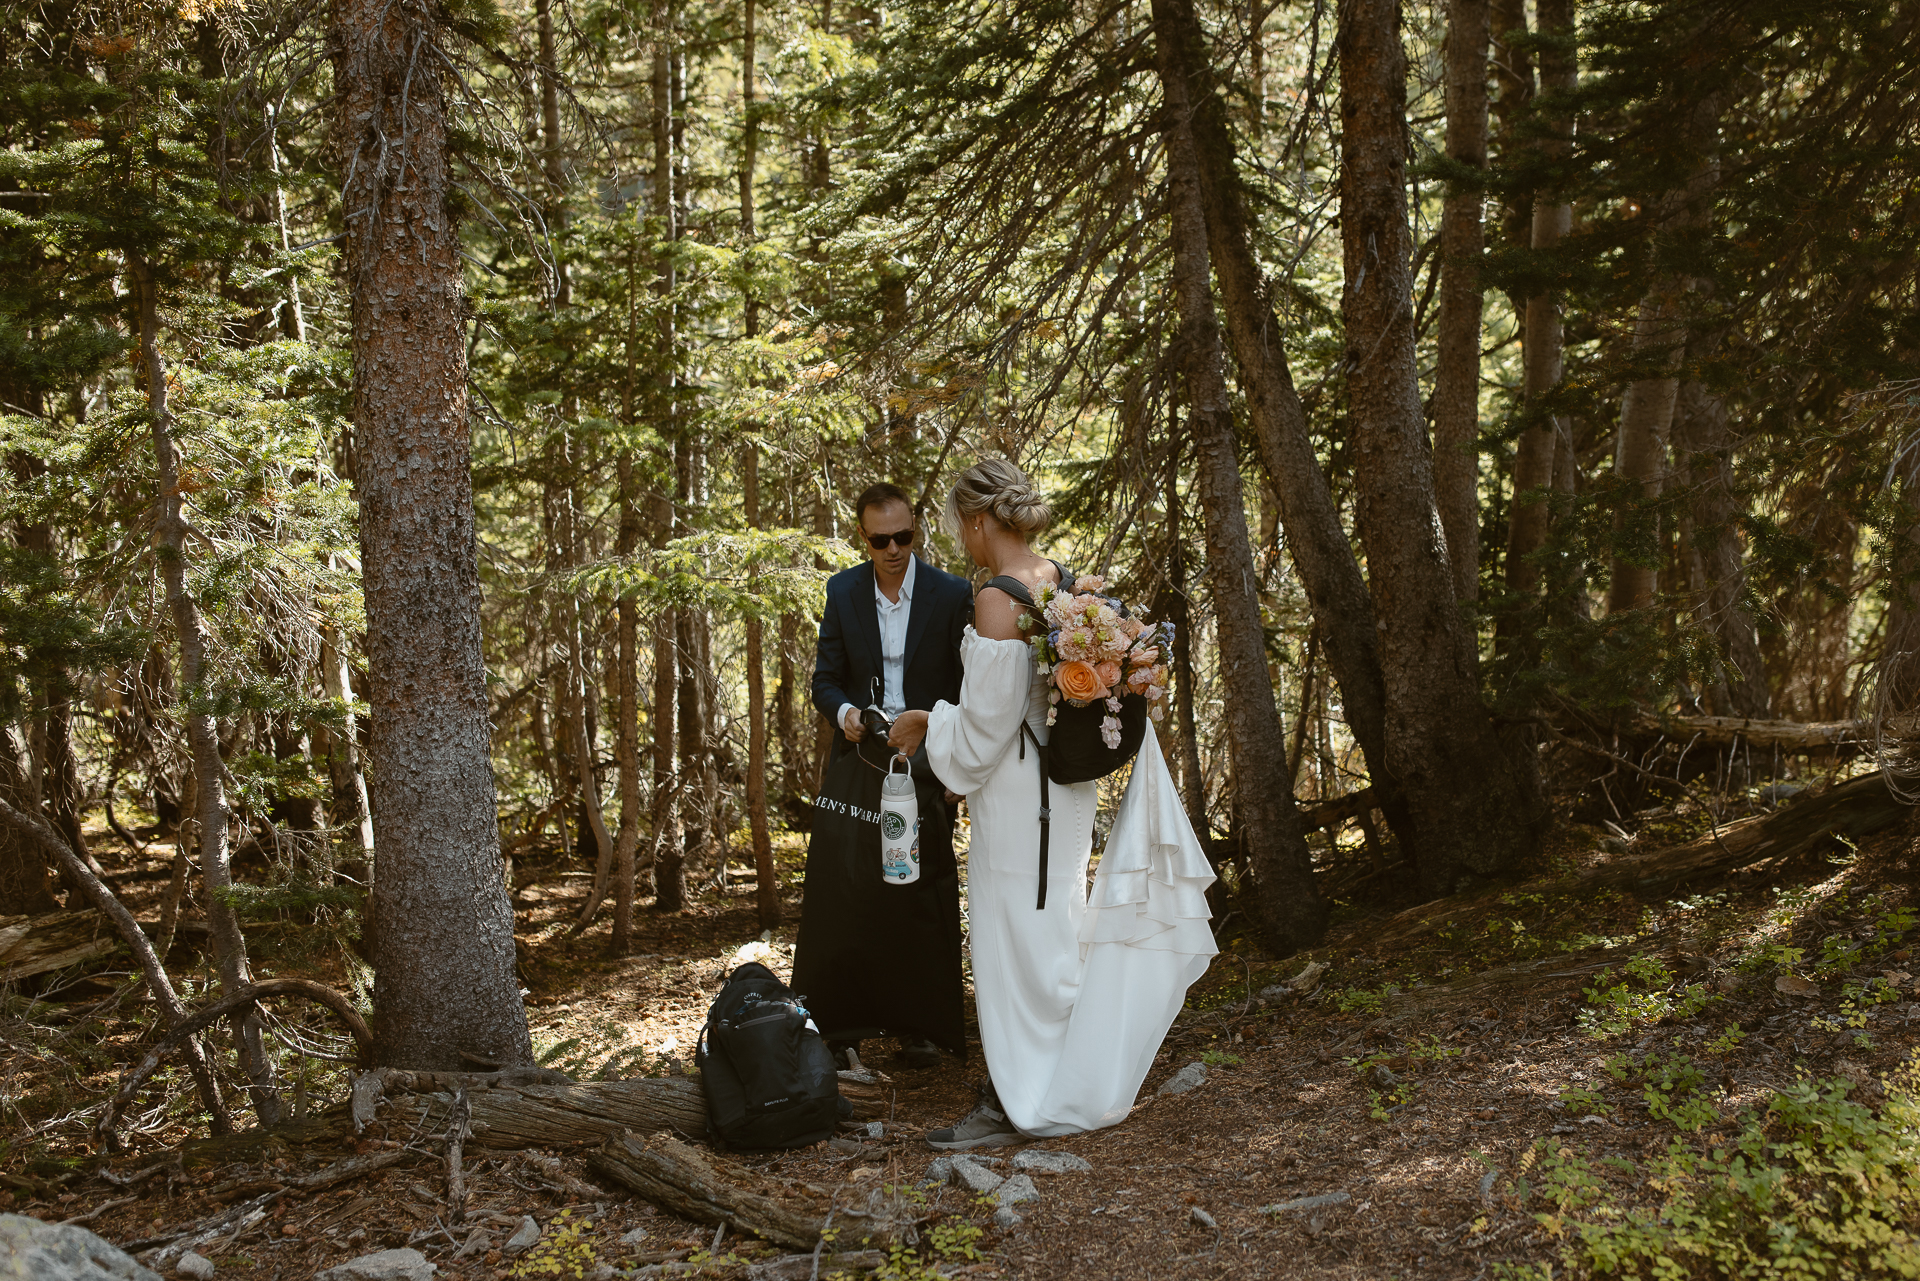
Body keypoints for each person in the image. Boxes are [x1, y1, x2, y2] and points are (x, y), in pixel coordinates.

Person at [886, 459, 1217, 1147]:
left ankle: (1023, 1097)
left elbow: (985, 728)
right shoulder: (1059, 580)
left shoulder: (995, 598)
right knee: (1056, 934)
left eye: (961, 525)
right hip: (1064, 792)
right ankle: (1056, 1078)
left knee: (1016, 944)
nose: (963, 539)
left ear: (979, 521)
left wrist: (927, 722)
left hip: (1017, 799)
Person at [792, 482, 973, 1070]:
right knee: (843, 888)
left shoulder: (951, 593)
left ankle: (922, 1027)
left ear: (915, 529)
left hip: (924, 760)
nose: (894, 549)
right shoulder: (842, 591)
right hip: (859, 761)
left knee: (921, 888)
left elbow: (966, 686)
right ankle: (840, 1024)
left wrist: (956, 767)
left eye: (904, 536)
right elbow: (826, 678)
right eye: (881, 540)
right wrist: (844, 714)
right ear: (863, 539)